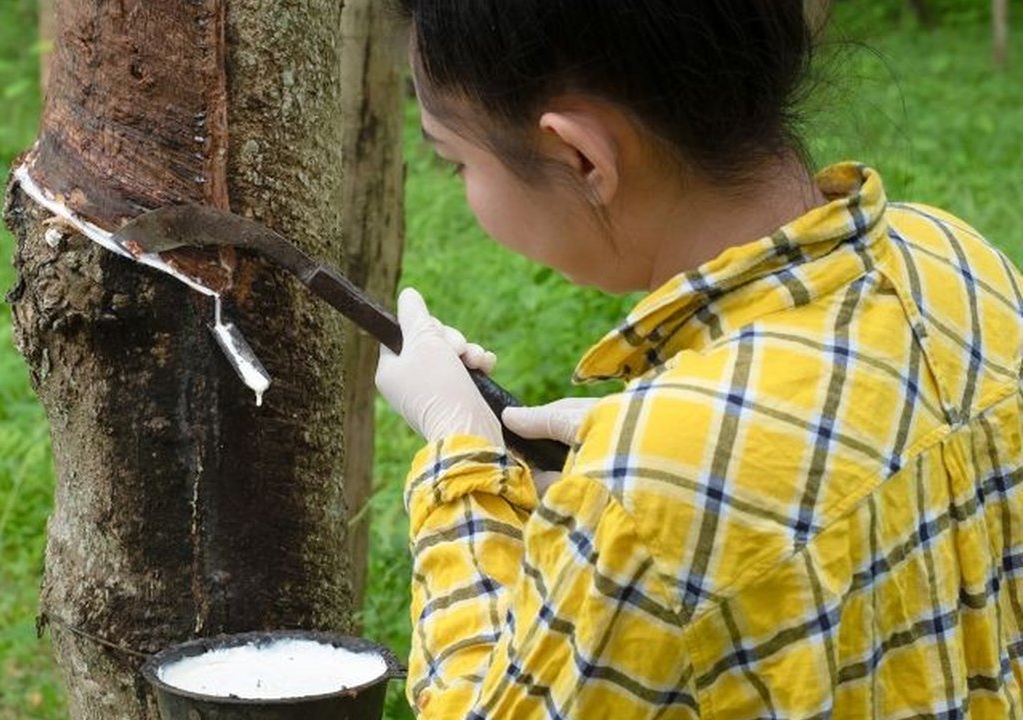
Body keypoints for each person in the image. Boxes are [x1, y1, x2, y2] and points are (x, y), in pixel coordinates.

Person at [374, 2, 1023, 718]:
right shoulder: (958, 261)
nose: (458, 184)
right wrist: (655, 446)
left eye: (454, 159)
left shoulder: (647, 492)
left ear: (580, 157)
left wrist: (462, 460)